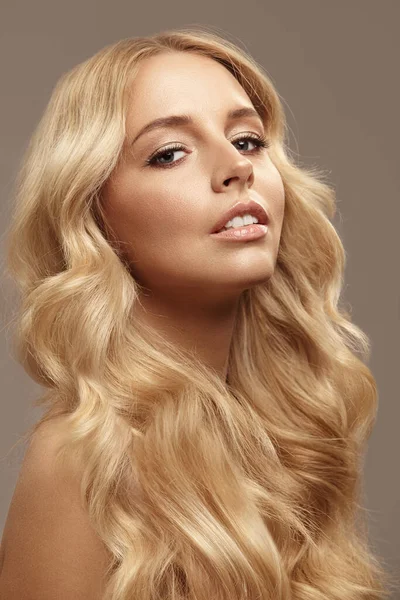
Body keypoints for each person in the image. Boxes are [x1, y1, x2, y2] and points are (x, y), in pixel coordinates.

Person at [0, 26, 395, 600]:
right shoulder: (84, 460)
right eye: (169, 153)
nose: (236, 167)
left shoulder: (290, 433)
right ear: (95, 217)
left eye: (248, 140)